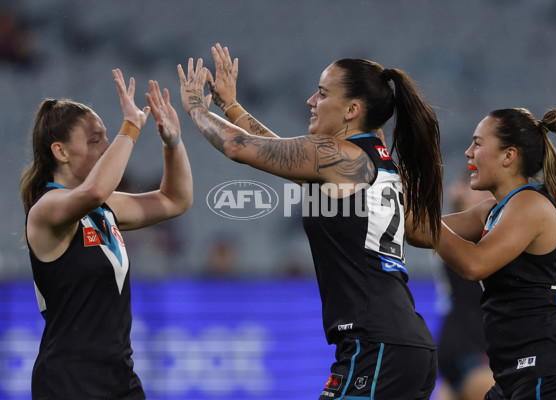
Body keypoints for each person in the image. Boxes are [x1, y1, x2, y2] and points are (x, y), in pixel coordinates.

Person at [178, 44, 443, 400]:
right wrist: (232, 105)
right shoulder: (370, 159)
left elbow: (240, 147)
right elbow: (283, 153)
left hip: (376, 345)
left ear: (352, 109)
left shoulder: (335, 156)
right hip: (396, 342)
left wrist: (196, 108)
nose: (310, 101)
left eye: (321, 93)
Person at [19, 70, 193, 399]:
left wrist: (172, 141)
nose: (107, 146)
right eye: (95, 139)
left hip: (119, 376)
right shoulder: (47, 208)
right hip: (68, 381)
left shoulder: (102, 208)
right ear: (61, 152)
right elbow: (95, 190)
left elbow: (175, 200)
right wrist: (131, 126)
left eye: (107, 136)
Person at [413, 108, 556, 399]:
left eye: (478, 143)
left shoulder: (530, 204)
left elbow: (474, 264)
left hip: (548, 373)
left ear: (508, 155)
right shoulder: (491, 211)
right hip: (514, 376)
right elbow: (421, 231)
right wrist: (390, 192)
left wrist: (419, 217)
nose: (467, 152)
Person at [435, 173, 495, 400]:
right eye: (481, 191)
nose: (492, 199)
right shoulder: (462, 236)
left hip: (462, 348)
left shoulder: (457, 234)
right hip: (470, 348)